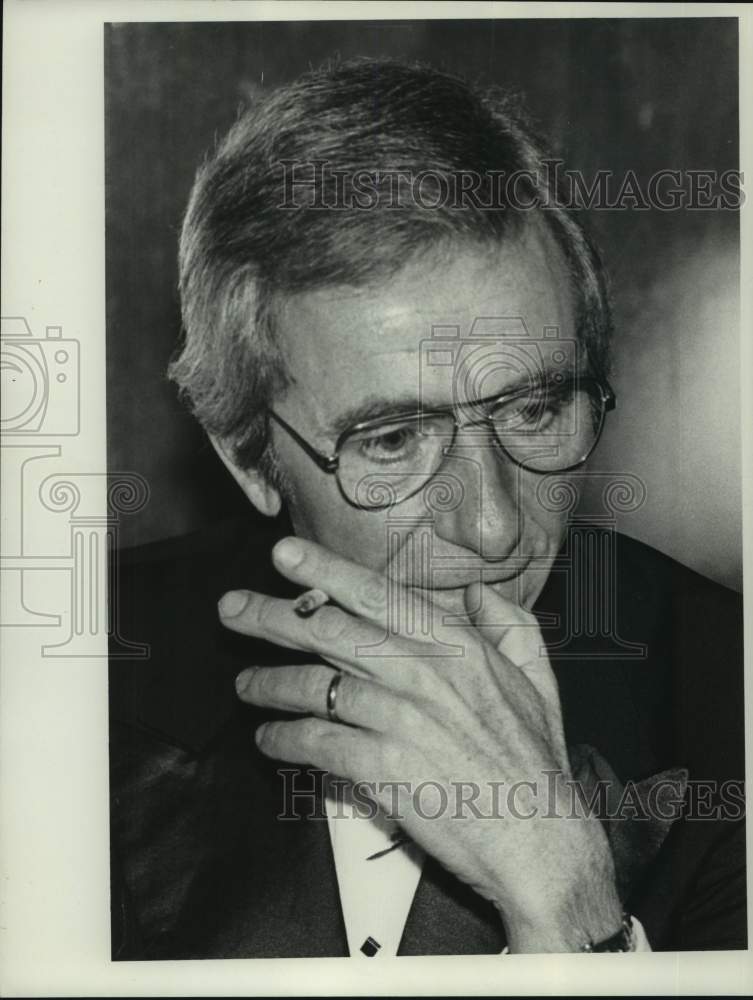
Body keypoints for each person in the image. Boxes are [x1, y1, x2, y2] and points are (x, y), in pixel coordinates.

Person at [109, 57, 746, 959]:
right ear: (249, 456)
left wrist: (570, 915)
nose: (491, 527)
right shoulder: (74, 693)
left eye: (532, 410)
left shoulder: (729, 709)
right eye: (394, 439)